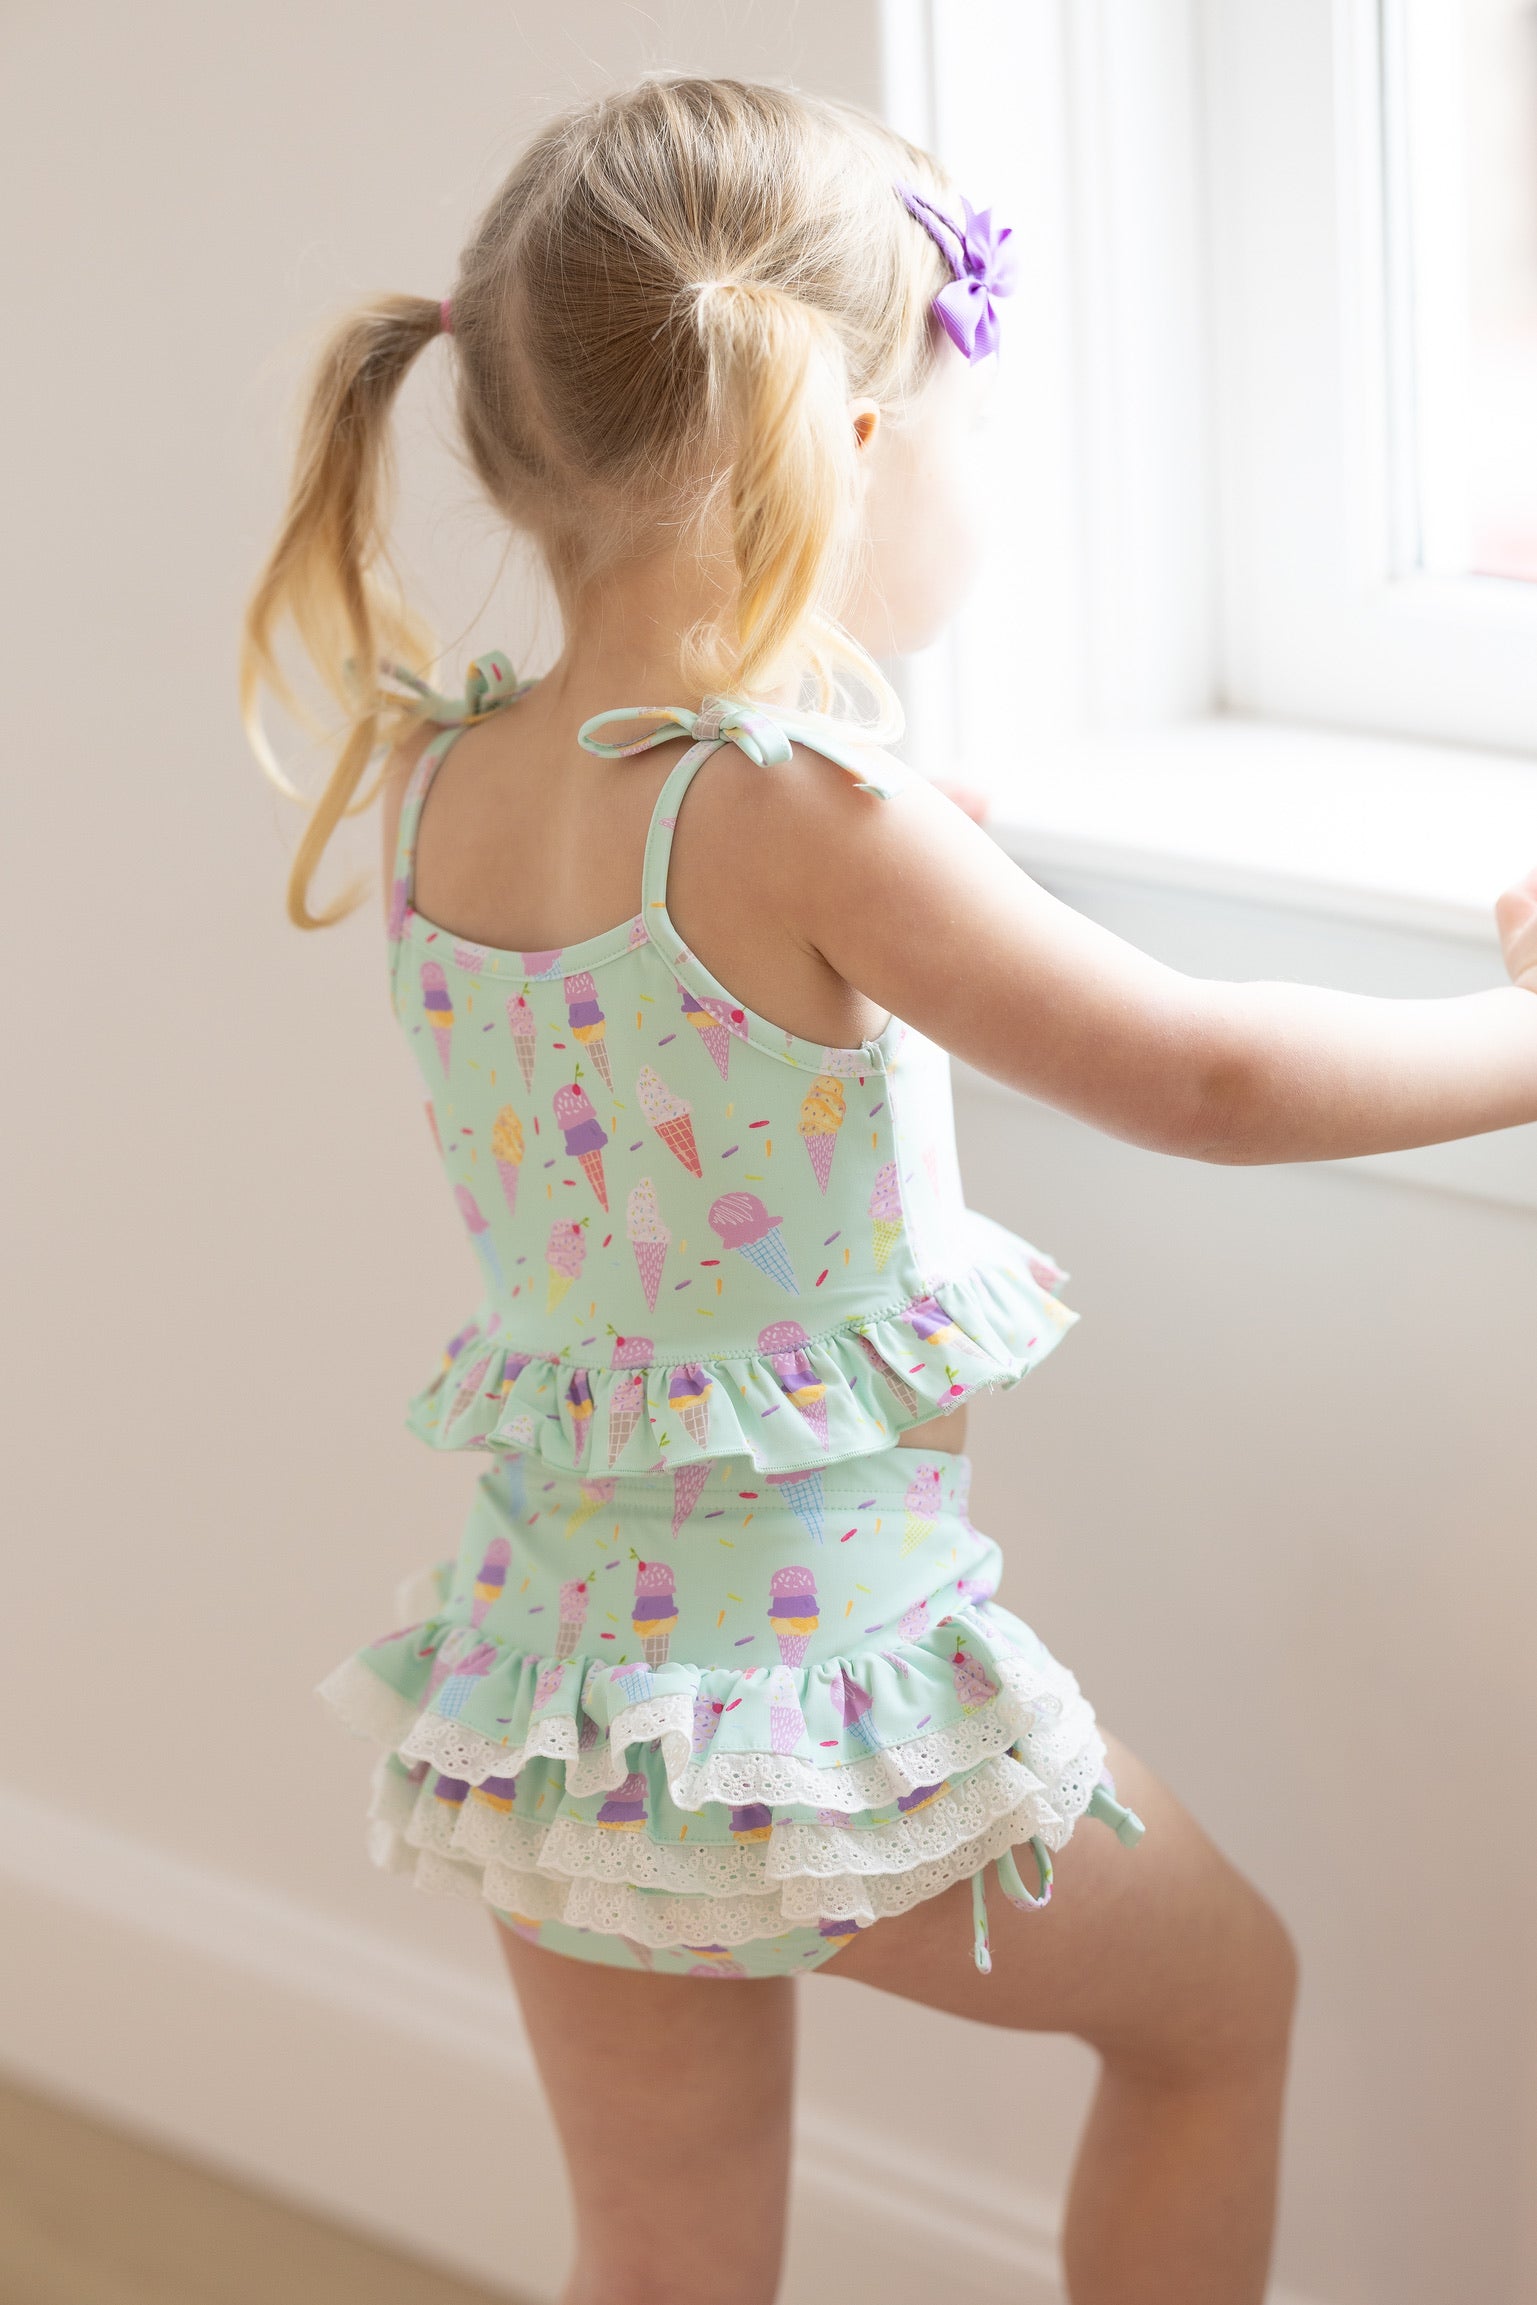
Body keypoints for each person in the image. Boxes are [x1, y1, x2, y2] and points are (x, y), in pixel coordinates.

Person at [241, 76, 1537, 2305]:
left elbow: (681, 1030)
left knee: (663, 2254)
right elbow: (1206, 1073)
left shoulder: (441, 780)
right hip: (816, 1705)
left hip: (558, 1697)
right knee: (1219, 2010)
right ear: (841, 445)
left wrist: (904, 863)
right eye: (968, 425)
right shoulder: (803, 819)